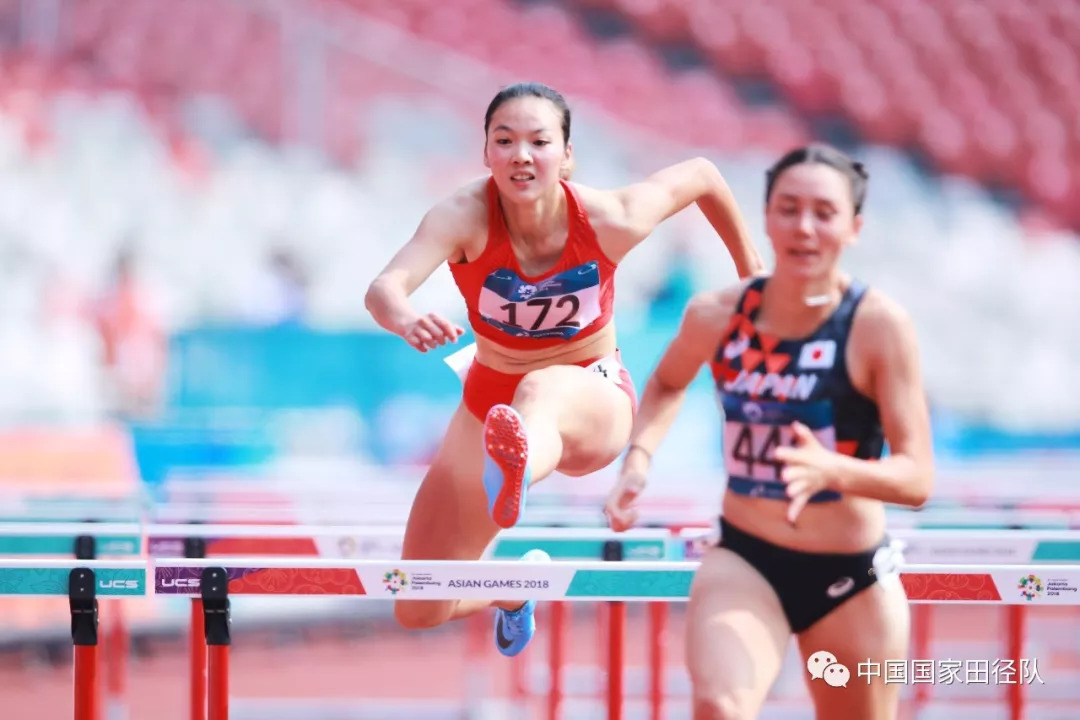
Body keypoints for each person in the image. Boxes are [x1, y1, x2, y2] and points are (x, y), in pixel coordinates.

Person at [365, 81, 764, 656]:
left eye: (538, 141)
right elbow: (384, 287)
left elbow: (702, 173)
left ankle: (518, 465)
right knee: (420, 602)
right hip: (486, 404)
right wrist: (403, 317)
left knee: (540, 389)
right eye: (504, 141)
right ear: (486, 154)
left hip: (591, 397)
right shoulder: (462, 218)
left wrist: (752, 273)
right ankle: (513, 584)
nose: (521, 155)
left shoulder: (610, 218)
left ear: (567, 156)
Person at [605, 143, 934, 719]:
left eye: (824, 213)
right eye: (788, 208)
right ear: (767, 217)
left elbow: (917, 478)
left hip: (850, 576)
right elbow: (666, 384)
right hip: (746, 559)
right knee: (720, 707)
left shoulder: (878, 326)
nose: (804, 227)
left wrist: (833, 470)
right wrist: (639, 458)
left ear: (853, 227)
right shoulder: (716, 313)